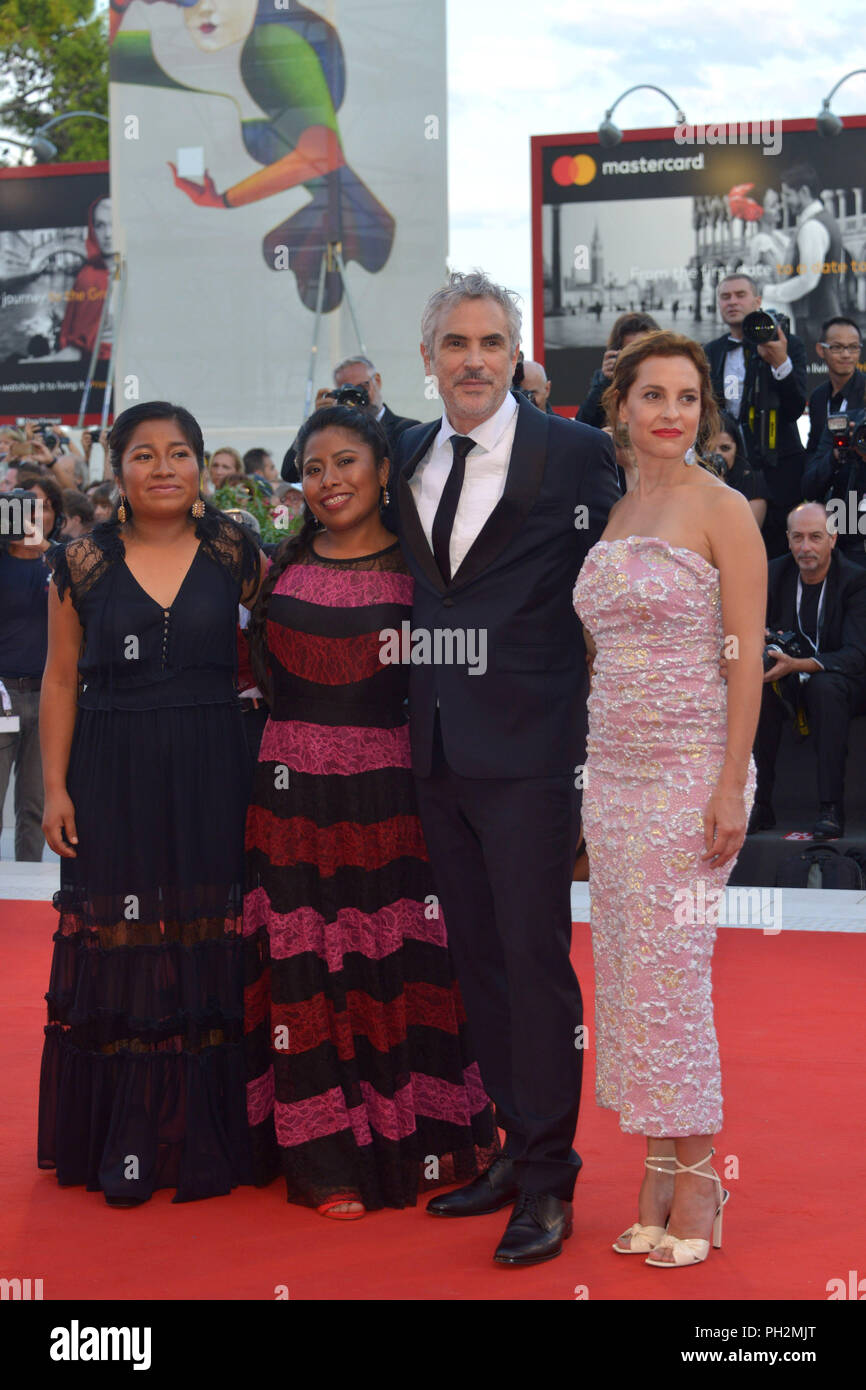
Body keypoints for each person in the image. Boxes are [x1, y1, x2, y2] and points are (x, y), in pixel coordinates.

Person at [392, 270, 620, 1266]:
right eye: (454, 342)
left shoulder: (573, 453)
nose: (472, 359)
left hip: (531, 752)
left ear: (516, 352)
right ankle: (503, 1142)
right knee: (476, 960)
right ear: (429, 356)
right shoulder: (406, 450)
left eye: (490, 341)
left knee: (533, 968)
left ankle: (547, 1179)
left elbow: (611, 594)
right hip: (435, 744)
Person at [243, 403, 498, 1218]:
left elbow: (463, 667)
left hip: (390, 793)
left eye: (346, 463)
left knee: (395, 961)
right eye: (314, 469)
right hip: (289, 794)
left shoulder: (424, 568)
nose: (329, 482)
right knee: (306, 970)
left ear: (384, 471)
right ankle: (324, 1158)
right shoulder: (277, 564)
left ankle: (415, 1141)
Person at [37, 400, 266, 1205]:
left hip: (216, 765)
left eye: (179, 453)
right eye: (143, 454)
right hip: (113, 767)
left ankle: (209, 1137)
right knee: (126, 937)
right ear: (118, 467)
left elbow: (279, 648)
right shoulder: (81, 563)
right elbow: (60, 678)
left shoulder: (239, 551)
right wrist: (56, 787)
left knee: (212, 930)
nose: (162, 467)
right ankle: (131, 1135)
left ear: (202, 467)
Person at [574, 330, 766, 1269]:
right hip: (612, 776)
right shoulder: (618, 511)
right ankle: (655, 1166)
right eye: (653, 395)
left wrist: (730, 782)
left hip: (693, 777)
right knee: (629, 978)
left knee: (675, 979)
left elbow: (746, 663)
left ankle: (700, 1185)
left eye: (687, 398)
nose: (670, 413)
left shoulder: (723, 509)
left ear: (704, 412)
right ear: (622, 407)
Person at [749, 501, 866, 841]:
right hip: (787, 678)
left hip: (844, 681)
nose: (805, 547)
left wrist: (798, 665)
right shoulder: (774, 573)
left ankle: (830, 807)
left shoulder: (856, 581)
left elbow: (857, 654)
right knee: (756, 688)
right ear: (787, 539)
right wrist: (763, 643)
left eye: (815, 537)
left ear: (833, 538)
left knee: (824, 688)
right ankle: (758, 804)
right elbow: (748, 627)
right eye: (798, 537)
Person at [705, 273, 808, 559]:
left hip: (780, 471)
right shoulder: (710, 352)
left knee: (780, 559)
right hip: (728, 473)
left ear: (758, 301)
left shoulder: (788, 344)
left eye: (740, 295)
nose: (732, 302)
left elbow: (795, 408)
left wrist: (780, 363)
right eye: (725, 297)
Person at [0, 476, 63, 861]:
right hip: (3, 692)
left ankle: (28, 875)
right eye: (22, 507)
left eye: (41, 507)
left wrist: (46, 549)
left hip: (49, 696)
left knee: (35, 802)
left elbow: (90, 595)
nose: (32, 516)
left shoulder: (64, 559)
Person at [281, 355, 420, 483]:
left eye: (361, 387)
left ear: (377, 381)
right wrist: (314, 421)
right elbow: (289, 473)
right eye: (349, 391)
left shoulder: (408, 430)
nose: (357, 396)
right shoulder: (332, 437)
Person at [759, 166, 844, 346]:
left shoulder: (812, 227)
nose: (785, 202)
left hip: (816, 325)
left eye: (788, 195)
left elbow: (808, 280)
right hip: (823, 321)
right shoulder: (823, 220)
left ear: (804, 192)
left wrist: (767, 291)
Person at [576, 312, 660, 429]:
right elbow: (582, 426)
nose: (640, 358)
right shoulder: (608, 380)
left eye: (645, 350)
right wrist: (605, 383)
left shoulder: (669, 377)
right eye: (632, 352)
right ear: (618, 353)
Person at [805, 317, 865, 457]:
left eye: (853, 347)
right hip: (825, 475)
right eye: (837, 347)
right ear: (821, 350)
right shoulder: (818, 397)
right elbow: (813, 451)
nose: (846, 355)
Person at [705, 409, 766, 527]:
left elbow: (746, 532)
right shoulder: (688, 481)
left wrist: (721, 489)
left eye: (725, 448)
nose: (717, 455)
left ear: (737, 449)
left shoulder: (753, 482)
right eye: (709, 449)